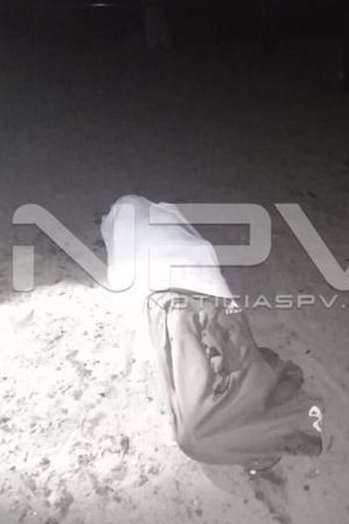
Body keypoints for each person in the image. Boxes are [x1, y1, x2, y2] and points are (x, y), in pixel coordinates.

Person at [101, 196, 325, 474]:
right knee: (217, 401)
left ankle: (284, 415)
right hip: (209, 303)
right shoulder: (166, 215)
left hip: (180, 307)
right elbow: (203, 255)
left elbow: (130, 305)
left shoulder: (124, 232)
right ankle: (266, 387)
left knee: (196, 434)